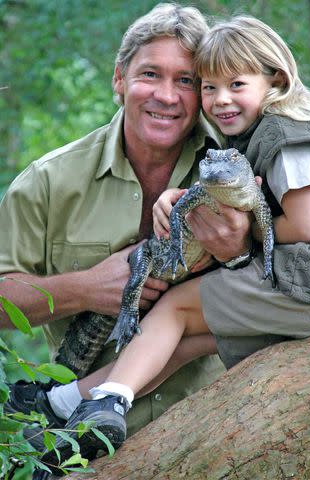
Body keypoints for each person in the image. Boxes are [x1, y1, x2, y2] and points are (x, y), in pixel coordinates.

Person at [37, 13, 310, 467]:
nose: (220, 99)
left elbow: (307, 226)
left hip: (307, 285)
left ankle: (103, 401)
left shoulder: (286, 137)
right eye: (208, 87)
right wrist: (179, 198)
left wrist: (246, 238)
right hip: (300, 287)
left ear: (277, 80)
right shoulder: (254, 132)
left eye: (237, 85)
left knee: (175, 309)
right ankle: (67, 404)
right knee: (188, 337)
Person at [0, 3, 251, 466]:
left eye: (186, 81)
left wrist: (237, 250)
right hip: (80, 449)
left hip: (224, 431)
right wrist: (84, 289)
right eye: (150, 74)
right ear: (119, 79)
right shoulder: (48, 181)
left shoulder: (234, 165)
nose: (167, 96)